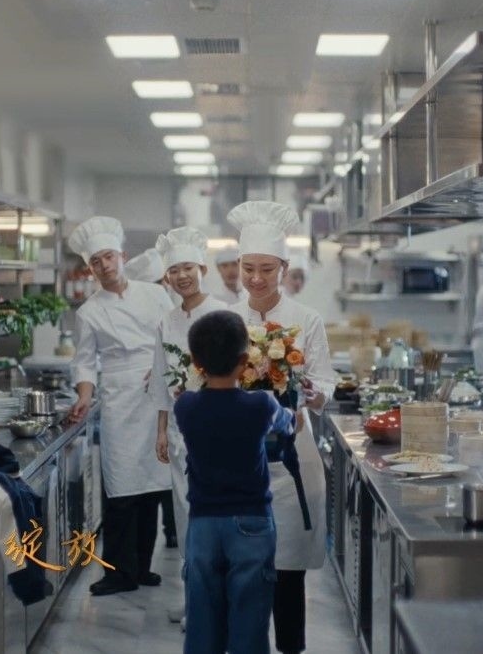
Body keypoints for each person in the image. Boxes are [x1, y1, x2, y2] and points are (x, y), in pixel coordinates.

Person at [226, 200, 334, 654]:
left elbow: (325, 380)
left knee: (288, 571)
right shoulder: (225, 320)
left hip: (292, 459)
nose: (255, 278)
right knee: (243, 571)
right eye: (248, 268)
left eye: (266, 269)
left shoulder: (306, 319)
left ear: (284, 269)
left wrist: (313, 394)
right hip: (237, 460)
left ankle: (291, 648)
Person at [172, 310, 303, 654]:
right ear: (245, 361)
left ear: (196, 363)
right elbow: (287, 422)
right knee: (250, 617)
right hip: (252, 521)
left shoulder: (186, 407)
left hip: (203, 523)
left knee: (202, 618)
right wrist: (292, 414)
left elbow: (193, 401)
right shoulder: (260, 404)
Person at [66, 217, 174, 596]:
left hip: (156, 394)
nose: (104, 265)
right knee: (121, 488)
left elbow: (173, 338)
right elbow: (84, 362)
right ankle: (118, 573)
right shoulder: (89, 312)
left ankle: (141, 568)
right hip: (118, 400)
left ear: (122, 257)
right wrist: (84, 395)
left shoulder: (155, 295)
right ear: (90, 269)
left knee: (152, 486)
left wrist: (164, 369)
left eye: (108, 257)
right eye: (96, 261)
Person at [148, 226, 229, 627]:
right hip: (182, 435)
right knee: (186, 516)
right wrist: (162, 430)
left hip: (218, 432)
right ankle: (194, 595)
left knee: (214, 517)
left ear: (202, 269)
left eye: (188, 268)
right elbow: (163, 377)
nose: (181, 276)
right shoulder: (166, 320)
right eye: (173, 270)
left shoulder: (223, 314)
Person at [125, 246, 179, 546]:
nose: (164, 288)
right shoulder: (137, 312)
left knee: (170, 466)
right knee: (151, 469)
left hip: (171, 401)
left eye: (164, 282)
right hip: (140, 405)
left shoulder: (174, 307)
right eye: (159, 283)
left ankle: (172, 529)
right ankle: (164, 531)